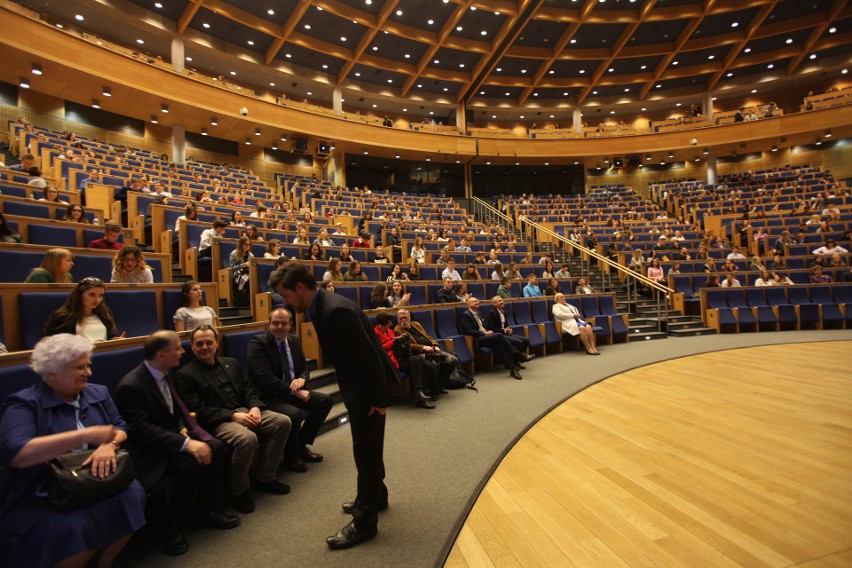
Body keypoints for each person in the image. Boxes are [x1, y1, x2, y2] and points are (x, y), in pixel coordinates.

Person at [270, 263, 398, 550]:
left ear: (300, 288)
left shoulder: (334, 310)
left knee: (366, 453)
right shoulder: (320, 306)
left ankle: (364, 523)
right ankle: (377, 496)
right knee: (368, 450)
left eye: (285, 295)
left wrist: (380, 401)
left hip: (368, 392)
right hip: (360, 388)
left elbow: (369, 359)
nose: (286, 303)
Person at [0, 334, 146, 567]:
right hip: (42, 489)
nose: (88, 372)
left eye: (89, 364)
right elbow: (17, 453)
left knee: (131, 494)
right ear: (52, 372)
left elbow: (120, 426)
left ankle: (104, 564)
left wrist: (109, 445)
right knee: (73, 525)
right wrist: (86, 435)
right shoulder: (24, 403)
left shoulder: (97, 392)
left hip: (91, 478)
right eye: (80, 367)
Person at [114, 331, 240, 556]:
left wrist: (182, 427)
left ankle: (207, 509)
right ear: (162, 355)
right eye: (177, 349)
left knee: (217, 447)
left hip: (171, 436)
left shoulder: (166, 372)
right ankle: (170, 525)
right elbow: (142, 431)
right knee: (191, 462)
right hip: (149, 450)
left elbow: (176, 408)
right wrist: (184, 444)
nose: (183, 351)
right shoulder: (131, 386)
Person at [175, 325, 292, 515]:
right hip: (218, 421)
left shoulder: (231, 362)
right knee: (247, 439)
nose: (205, 347)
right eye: (199, 343)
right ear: (193, 347)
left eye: (209, 342)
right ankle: (238, 490)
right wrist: (232, 416)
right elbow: (197, 410)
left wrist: (255, 407)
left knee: (283, 422)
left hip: (245, 410)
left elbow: (248, 389)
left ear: (217, 343)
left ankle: (265, 477)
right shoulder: (185, 374)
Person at [247, 308, 333, 473]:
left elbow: (304, 368)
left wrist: (302, 378)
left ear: (290, 324)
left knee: (325, 402)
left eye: (284, 323)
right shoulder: (258, 343)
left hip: (292, 390)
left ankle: (301, 445)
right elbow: (264, 378)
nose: (279, 327)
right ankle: (291, 458)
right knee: (294, 414)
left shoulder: (294, 340)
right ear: (269, 324)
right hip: (269, 395)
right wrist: (294, 392)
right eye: (275, 323)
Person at [459, 297, 533, 380]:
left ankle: (513, 369)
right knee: (499, 335)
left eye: (477, 301)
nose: (477, 302)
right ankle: (518, 355)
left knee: (501, 345)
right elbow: (468, 331)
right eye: (474, 301)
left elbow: (483, 326)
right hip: (478, 339)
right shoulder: (466, 315)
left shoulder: (479, 313)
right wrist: (484, 333)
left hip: (486, 336)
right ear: (469, 304)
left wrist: (488, 331)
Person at [394, 308, 460, 398]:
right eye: (401, 318)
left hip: (432, 349)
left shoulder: (416, 324)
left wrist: (436, 345)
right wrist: (423, 347)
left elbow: (428, 337)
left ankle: (440, 385)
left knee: (453, 360)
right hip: (418, 353)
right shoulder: (397, 330)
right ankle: (434, 391)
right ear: (397, 319)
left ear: (409, 317)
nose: (403, 320)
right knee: (432, 364)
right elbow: (409, 346)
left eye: (405, 317)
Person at [43, 277, 126, 341]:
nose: (97, 300)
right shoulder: (62, 317)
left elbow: (110, 336)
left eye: (101, 296)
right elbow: (52, 345)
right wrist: (88, 345)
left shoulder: (105, 313)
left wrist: (116, 341)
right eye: (92, 295)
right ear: (80, 295)